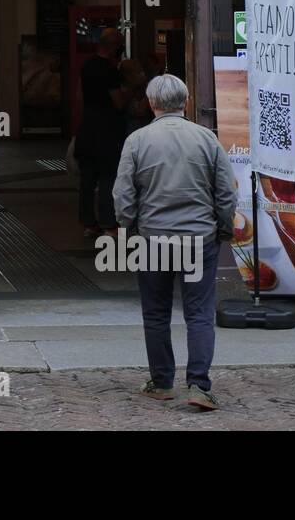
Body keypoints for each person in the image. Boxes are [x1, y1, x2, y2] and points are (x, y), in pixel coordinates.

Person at [112, 74, 237, 411]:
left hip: (153, 238)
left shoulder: (137, 140)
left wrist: (130, 227)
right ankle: (199, 384)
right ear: (187, 102)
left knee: (156, 313)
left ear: (151, 104)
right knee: (199, 314)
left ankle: (162, 381)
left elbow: (123, 195)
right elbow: (226, 192)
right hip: (199, 238)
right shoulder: (206, 139)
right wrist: (223, 229)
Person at [73, 26, 126, 238]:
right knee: (107, 179)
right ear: (114, 47)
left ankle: (88, 223)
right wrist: (131, 91)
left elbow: (80, 97)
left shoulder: (87, 66)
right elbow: (119, 103)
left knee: (87, 180)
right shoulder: (110, 71)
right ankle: (108, 223)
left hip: (87, 129)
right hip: (106, 133)